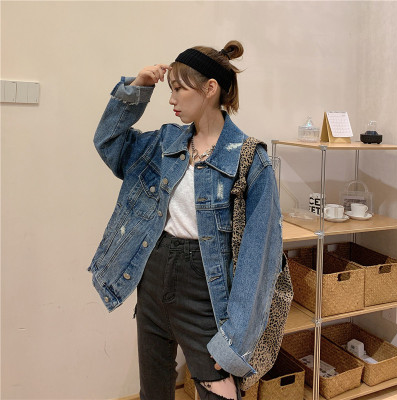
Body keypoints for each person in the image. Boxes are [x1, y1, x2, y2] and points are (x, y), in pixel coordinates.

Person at [88, 40, 283, 400]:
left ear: (210, 89)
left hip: (206, 289)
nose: (172, 98)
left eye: (179, 88)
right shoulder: (165, 143)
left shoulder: (250, 160)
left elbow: (260, 257)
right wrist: (137, 88)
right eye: (170, 89)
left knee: (218, 391)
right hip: (152, 274)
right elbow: (109, 142)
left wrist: (235, 339)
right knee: (154, 390)